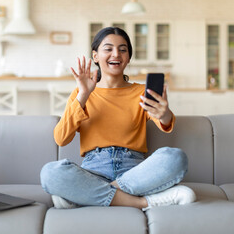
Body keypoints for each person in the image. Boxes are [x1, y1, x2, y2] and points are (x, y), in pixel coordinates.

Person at [40, 27, 196, 210]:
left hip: (135, 171)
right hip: (93, 170)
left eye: (123, 49)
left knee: (176, 157)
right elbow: (61, 138)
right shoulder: (81, 93)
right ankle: (143, 202)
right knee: (50, 173)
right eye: (108, 49)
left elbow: (164, 122)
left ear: (128, 58)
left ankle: (87, 195)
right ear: (95, 56)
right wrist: (83, 94)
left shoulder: (140, 92)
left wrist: (165, 113)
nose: (116, 54)